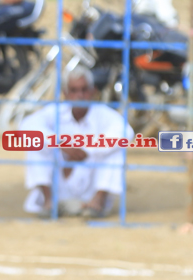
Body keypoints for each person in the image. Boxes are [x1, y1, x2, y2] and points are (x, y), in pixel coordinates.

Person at [22, 66, 134, 218]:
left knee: (116, 149)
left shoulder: (103, 114)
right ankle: (49, 201)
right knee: (35, 143)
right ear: (65, 93)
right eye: (74, 90)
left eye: (84, 90)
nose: (80, 95)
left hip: (91, 185)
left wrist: (87, 149)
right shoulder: (55, 111)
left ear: (93, 91)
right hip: (59, 183)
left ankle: (97, 201)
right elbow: (26, 126)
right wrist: (61, 144)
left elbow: (126, 132)